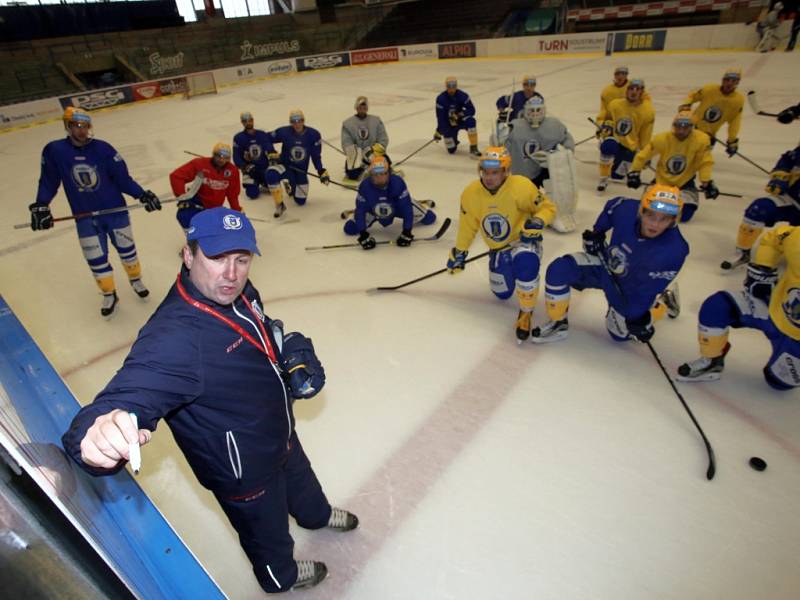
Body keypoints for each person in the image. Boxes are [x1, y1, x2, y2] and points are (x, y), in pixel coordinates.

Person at [61, 207, 359, 592]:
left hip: (278, 434)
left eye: (242, 258)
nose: (232, 274)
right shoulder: (175, 340)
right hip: (244, 470)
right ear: (188, 254)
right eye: (217, 258)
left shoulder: (238, 293)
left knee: (305, 487)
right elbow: (128, 394)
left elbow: (261, 331)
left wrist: (291, 349)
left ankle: (315, 516)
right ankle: (280, 578)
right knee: (268, 536)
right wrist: (94, 435)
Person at [30, 107, 161, 318]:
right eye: (76, 126)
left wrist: (142, 195)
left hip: (115, 212)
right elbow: (48, 181)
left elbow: (122, 179)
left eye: (84, 126)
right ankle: (109, 293)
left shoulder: (104, 149)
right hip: (85, 217)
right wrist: (41, 204)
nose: (81, 131)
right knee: (96, 258)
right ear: (68, 126)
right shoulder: (55, 151)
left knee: (128, 251)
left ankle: (135, 279)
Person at [532, 185, 688, 344]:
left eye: (664, 219)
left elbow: (646, 290)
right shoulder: (627, 209)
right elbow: (612, 207)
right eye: (651, 215)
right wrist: (597, 233)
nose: (655, 224)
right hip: (604, 265)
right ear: (642, 210)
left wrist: (639, 318)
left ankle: (663, 303)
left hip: (631, 289)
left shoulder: (674, 251)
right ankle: (558, 323)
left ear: (673, 221)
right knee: (559, 270)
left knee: (620, 335)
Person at [445, 146, 556, 342]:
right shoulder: (471, 194)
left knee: (526, 264)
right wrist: (460, 252)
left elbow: (547, 207)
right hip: (498, 248)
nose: (489, 177)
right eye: (485, 172)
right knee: (502, 293)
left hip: (522, 242)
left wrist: (538, 221)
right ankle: (509, 270)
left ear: (506, 171)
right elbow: (467, 226)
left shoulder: (521, 186)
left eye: (495, 172)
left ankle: (525, 312)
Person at [677, 224, 800, 390]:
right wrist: (763, 267)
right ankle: (712, 360)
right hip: (773, 308)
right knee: (717, 307)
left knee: (778, 382)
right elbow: (774, 239)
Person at [720, 144, 800, 270]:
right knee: (759, 208)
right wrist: (779, 179)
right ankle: (742, 252)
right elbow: (786, 162)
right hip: (792, 200)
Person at [627, 111, 717, 222]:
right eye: (678, 126)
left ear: (691, 127)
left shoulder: (701, 140)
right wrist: (634, 172)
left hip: (685, 183)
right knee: (647, 210)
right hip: (661, 181)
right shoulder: (662, 139)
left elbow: (705, 161)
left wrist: (706, 181)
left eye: (685, 127)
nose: (681, 131)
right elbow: (643, 155)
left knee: (684, 215)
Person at [505, 97, 578, 232]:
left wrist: (556, 157)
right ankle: (526, 211)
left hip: (546, 169)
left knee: (555, 184)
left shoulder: (554, 125)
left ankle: (556, 212)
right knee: (523, 194)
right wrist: (499, 135)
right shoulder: (515, 126)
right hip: (524, 170)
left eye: (538, 110)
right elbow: (502, 146)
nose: (534, 114)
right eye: (531, 110)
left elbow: (567, 139)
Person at [344, 156, 436, 249]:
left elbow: (406, 207)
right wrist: (363, 234)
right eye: (376, 174)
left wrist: (407, 231)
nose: (380, 178)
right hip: (373, 210)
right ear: (371, 174)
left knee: (430, 218)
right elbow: (360, 210)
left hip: (396, 207)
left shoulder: (397, 183)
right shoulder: (364, 186)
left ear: (388, 173)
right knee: (350, 228)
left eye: (383, 173)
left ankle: (419, 208)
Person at [265, 109, 330, 219]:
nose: (297, 124)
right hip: (285, 166)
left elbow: (316, 156)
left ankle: (290, 184)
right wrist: (271, 151)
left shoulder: (313, 134)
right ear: (290, 122)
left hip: (300, 171)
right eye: (293, 121)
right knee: (270, 174)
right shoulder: (284, 132)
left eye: (299, 120)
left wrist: (320, 170)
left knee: (300, 201)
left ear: (303, 120)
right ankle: (279, 204)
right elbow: (265, 138)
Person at [596, 78, 655, 192]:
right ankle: (603, 177)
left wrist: (646, 154)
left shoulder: (648, 111)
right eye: (631, 89)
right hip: (614, 137)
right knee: (608, 146)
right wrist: (604, 126)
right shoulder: (615, 104)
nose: (633, 92)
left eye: (637, 89)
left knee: (617, 176)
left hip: (629, 145)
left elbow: (645, 136)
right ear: (626, 90)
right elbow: (606, 118)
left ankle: (616, 167)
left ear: (642, 92)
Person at [170, 142, 242, 233]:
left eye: (225, 158)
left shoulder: (232, 171)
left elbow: (233, 194)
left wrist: (237, 211)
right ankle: (193, 239)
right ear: (213, 154)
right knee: (183, 215)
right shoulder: (200, 164)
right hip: (197, 201)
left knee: (214, 230)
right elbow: (176, 176)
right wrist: (182, 198)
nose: (221, 160)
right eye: (218, 156)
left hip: (214, 206)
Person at [678, 68, 744, 156]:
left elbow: (735, 121)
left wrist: (732, 140)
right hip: (691, 127)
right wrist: (686, 104)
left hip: (709, 135)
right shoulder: (709, 89)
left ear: (737, 83)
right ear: (722, 80)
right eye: (727, 80)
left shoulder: (738, 100)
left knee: (699, 158)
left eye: (733, 81)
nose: (729, 83)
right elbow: (693, 96)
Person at [341, 96, 389, 181]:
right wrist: (357, 153)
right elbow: (346, 143)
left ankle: (369, 170)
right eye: (360, 106)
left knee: (383, 168)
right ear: (356, 107)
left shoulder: (376, 120)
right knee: (353, 174)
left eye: (364, 106)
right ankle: (364, 170)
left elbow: (383, 139)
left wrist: (371, 151)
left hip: (373, 154)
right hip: (356, 156)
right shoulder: (347, 124)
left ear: (367, 108)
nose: (362, 108)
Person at [232, 111, 277, 201]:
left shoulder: (262, 134)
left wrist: (273, 157)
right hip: (250, 171)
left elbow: (270, 149)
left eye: (250, 120)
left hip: (263, 168)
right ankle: (255, 182)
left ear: (253, 120)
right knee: (252, 194)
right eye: (245, 121)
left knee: (273, 187)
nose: (248, 122)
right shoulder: (238, 138)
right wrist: (244, 166)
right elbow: (236, 156)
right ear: (242, 122)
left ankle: (264, 181)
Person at [434, 76, 481, 158]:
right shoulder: (441, 99)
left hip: (460, 120)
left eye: (454, 86)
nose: (451, 89)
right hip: (449, 125)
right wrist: (439, 131)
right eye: (449, 86)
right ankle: (454, 140)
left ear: (456, 85)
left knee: (471, 121)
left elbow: (472, 110)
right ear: (446, 86)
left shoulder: (463, 95)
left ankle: (474, 147)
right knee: (451, 150)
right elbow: (440, 118)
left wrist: (459, 114)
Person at [494, 74, 544, 140]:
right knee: (502, 118)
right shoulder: (516, 97)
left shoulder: (538, 98)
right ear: (523, 85)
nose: (529, 88)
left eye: (532, 85)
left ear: (535, 86)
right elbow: (502, 100)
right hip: (517, 128)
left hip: (533, 128)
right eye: (526, 85)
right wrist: (501, 107)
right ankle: (502, 140)